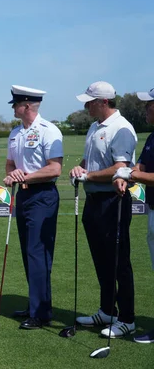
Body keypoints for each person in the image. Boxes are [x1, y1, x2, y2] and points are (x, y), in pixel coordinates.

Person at [70, 81, 137, 338]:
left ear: (104, 102)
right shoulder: (94, 126)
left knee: (120, 263)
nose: (86, 105)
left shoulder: (121, 129)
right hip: (94, 203)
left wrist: (88, 176)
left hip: (114, 202)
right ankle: (108, 310)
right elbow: (90, 162)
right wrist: (79, 169)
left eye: (90, 101)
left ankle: (128, 318)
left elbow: (120, 168)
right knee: (102, 261)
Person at [3, 85, 63, 330]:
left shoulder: (48, 130)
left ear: (27, 105)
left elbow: (54, 168)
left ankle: (39, 313)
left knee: (38, 253)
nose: (14, 109)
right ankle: (36, 305)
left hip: (43, 196)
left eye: (16, 104)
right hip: (25, 197)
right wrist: (12, 174)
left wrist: (25, 177)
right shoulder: (15, 134)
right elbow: (9, 165)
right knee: (30, 253)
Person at [112, 86, 154, 343]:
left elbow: (141, 173)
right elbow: (142, 166)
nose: (146, 109)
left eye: (150, 104)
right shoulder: (151, 138)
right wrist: (129, 173)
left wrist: (132, 175)